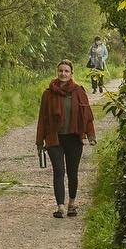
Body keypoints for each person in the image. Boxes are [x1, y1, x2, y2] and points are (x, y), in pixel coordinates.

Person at [36, 60, 96, 218]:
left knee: (72, 172)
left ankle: (72, 203)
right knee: (58, 171)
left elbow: (87, 115)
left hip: (74, 138)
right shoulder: (48, 94)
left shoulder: (78, 91)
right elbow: (42, 118)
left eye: (66, 71)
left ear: (71, 74)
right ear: (57, 72)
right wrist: (39, 141)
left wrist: (90, 135)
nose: (63, 73)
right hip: (54, 139)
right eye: (61, 71)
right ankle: (60, 207)